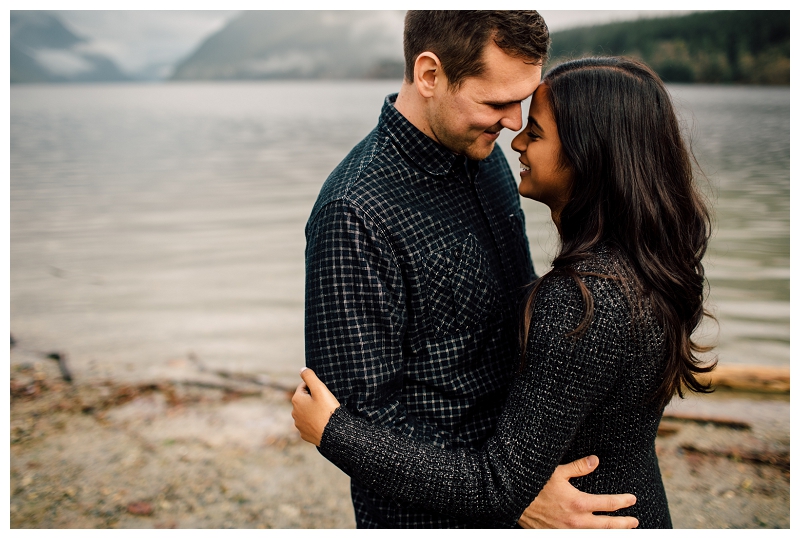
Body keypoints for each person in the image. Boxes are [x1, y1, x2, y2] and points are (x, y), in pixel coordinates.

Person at [295, 56, 716, 529]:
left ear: (588, 155)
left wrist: (333, 432)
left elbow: (499, 486)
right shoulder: (651, 262)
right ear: (431, 74)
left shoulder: (583, 301)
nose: (514, 134)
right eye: (499, 103)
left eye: (533, 131)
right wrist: (519, 491)